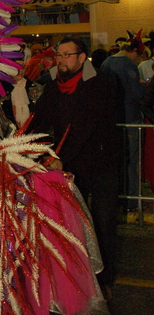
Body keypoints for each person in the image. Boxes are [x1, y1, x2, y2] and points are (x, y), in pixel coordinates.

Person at [28, 35, 120, 300]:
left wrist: (60, 156)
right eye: (59, 55)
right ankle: (77, 276)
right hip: (70, 166)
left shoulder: (99, 83)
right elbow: (40, 120)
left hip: (101, 164)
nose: (62, 60)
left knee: (102, 224)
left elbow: (84, 127)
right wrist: (23, 142)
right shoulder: (55, 86)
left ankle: (104, 280)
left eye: (68, 55)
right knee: (72, 225)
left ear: (82, 57)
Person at [100, 36, 145, 211]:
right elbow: (136, 93)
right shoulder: (128, 65)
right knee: (132, 163)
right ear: (133, 51)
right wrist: (142, 86)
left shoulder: (106, 63)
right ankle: (132, 201)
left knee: (117, 162)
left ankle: (118, 199)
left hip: (113, 120)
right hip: (130, 118)